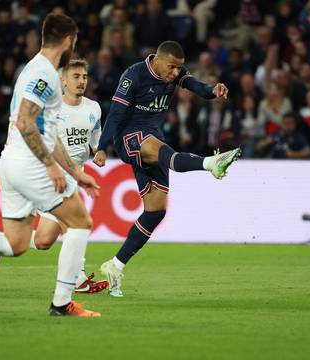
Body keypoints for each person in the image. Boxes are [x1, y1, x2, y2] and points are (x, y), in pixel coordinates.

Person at [0, 14, 101, 317]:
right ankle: (61, 302)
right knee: (80, 223)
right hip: (31, 164)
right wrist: (50, 166)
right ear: (68, 40)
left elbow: (49, 132)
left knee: (16, 244)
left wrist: (75, 172)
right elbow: (25, 121)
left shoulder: (35, 69)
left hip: (11, 163)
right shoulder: (44, 75)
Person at [93, 41, 240, 297]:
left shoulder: (175, 73)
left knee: (155, 212)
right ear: (157, 60)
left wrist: (212, 90)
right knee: (165, 153)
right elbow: (115, 114)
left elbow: (195, 86)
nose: (175, 73)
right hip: (130, 137)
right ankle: (209, 163)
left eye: (178, 69)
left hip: (153, 135)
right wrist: (102, 147)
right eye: (172, 67)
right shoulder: (134, 75)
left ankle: (115, 266)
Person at [0, 59, 107, 294]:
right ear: (63, 81)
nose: (81, 81)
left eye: (84, 77)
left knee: (43, 241)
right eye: (76, 77)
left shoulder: (94, 108)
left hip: (76, 175)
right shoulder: (52, 109)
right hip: (52, 176)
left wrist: (99, 151)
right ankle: (78, 278)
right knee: (76, 223)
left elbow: (95, 137)